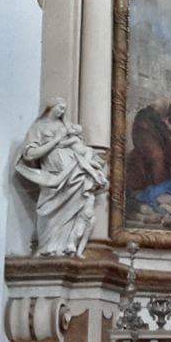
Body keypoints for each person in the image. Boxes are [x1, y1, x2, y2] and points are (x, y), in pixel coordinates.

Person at [14, 98, 109, 258]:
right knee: (48, 212)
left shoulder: (66, 127)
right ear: (50, 106)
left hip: (74, 172)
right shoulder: (38, 127)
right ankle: (47, 247)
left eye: (64, 109)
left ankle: (66, 246)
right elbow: (30, 154)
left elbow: (80, 147)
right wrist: (56, 140)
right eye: (60, 107)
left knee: (79, 209)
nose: (62, 111)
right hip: (52, 177)